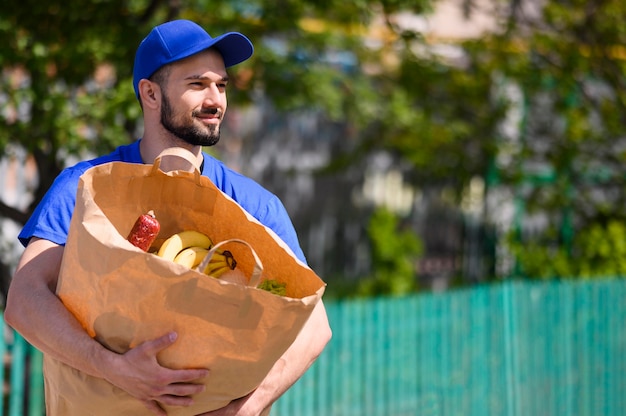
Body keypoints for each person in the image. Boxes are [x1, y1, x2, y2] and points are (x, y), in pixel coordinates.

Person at [5, 19, 331, 416]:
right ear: (150, 93)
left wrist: (245, 409)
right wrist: (113, 368)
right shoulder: (85, 186)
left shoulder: (255, 205)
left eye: (222, 85)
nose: (216, 100)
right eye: (197, 84)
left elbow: (315, 326)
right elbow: (24, 299)